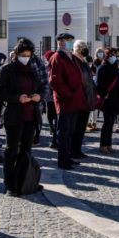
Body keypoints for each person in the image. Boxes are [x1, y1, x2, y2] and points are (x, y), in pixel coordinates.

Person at [0, 39, 43, 195]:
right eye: (23, 55)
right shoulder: (6, 70)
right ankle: (10, 185)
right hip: (14, 116)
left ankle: (23, 181)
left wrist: (39, 96)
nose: (26, 58)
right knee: (11, 151)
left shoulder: (32, 70)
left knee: (26, 151)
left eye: (29, 55)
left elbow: (41, 87)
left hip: (30, 116)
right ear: (16, 54)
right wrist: (17, 98)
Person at [49, 33, 88, 170]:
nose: (71, 43)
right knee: (63, 132)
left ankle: (68, 157)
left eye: (72, 40)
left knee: (70, 131)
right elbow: (55, 81)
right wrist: (68, 95)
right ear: (60, 42)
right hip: (66, 101)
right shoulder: (57, 57)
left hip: (75, 100)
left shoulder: (70, 56)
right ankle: (63, 160)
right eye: (68, 41)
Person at [96, 48, 119, 154]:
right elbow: (98, 84)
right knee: (107, 122)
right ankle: (103, 144)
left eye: (115, 55)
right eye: (111, 55)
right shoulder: (102, 68)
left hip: (115, 99)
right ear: (107, 56)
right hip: (106, 100)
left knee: (111, 122)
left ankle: (109, 144)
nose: (113, 57)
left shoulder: (116, 68)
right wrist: (104, 94)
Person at [72, 41, 97, 158]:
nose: (84, 49)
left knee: (81, 128)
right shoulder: (73, 61)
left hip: (87, 99)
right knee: (76, 127)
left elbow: (90, 80)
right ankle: (73, 150)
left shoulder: (84, 62)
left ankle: (77, 149)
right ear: (76, 49)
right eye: (82, 47)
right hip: (79, 99)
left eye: (85, 47)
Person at [43, 50, 58, 147]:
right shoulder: (45, 68)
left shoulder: (56, 67)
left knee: (56, 115)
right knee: (49, 113)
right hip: (49, 95)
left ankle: (54, 131)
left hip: (56, 95)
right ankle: (52, 128)